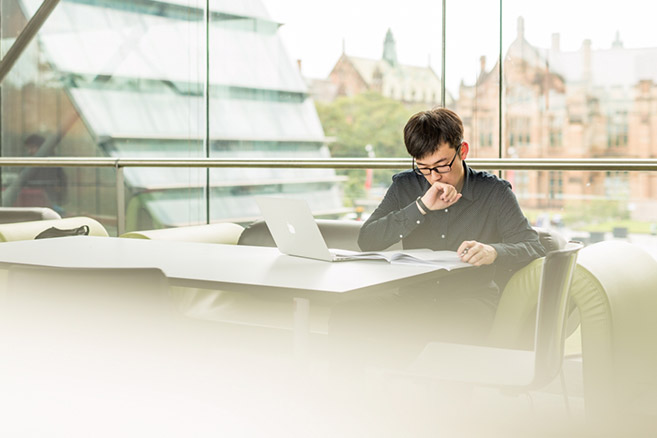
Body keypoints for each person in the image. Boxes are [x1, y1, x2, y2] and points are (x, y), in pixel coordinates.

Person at [329, 108, 545, 368]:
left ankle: (435, 401)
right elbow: (368, 240)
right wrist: (420, 208)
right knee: (345, 311)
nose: (434, 177)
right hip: (413, 297)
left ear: (462, 151)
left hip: (470, 299)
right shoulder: (406, 186)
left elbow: (533, 247)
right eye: (424, 168)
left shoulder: (494, 192)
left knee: (445, 327)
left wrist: (494, 251)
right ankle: (350, 397)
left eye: (442, 165)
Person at [16, 133, 67, 215]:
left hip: (47, 202)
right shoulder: (30, 162)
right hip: (34, 202)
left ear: (41, 147)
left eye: (32, 148)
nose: (30, 151)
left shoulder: (51, 162)